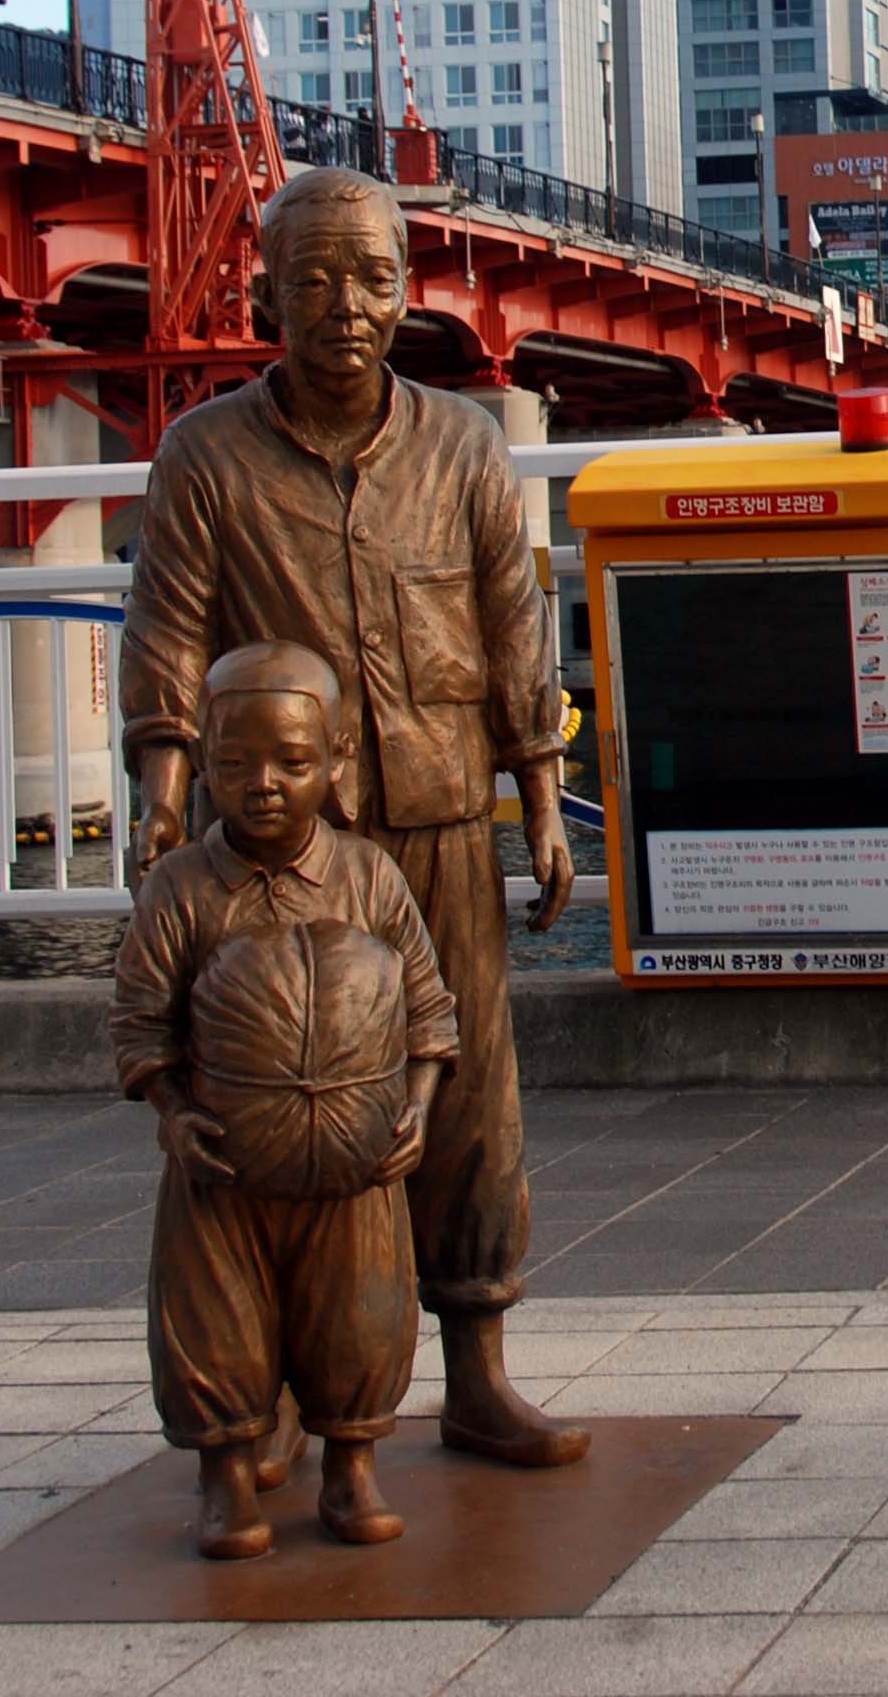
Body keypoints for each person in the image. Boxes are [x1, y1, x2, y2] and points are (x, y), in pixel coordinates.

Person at [120, 166, 584, 1467]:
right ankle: (269, 1397)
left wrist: (539, 794)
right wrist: (162, 795)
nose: (345, 305)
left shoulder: (462, 447)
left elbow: (511, 625)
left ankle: (478, 1368)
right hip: (281, 843)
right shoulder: (206, 456)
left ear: (407, 292)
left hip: (439, 814)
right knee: (274, 1091)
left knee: (467, 1098)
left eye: (374, 278)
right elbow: (167, 632)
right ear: (267, 294)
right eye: (314, 278)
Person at [112, 642, 454, 1560]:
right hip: (226, 1160)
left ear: (336, 760)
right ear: (203, 765)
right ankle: (225, 1478)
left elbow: (429, 1011)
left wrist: (417, 1106)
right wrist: (173, 1111)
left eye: (292, 762)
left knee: (360, 1311)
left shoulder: (368, 876)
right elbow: (141, 1022)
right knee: (213, 1319)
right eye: (234, 765)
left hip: (354, 1157)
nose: (262, 785)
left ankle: (353, 1468)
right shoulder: (181, 887)